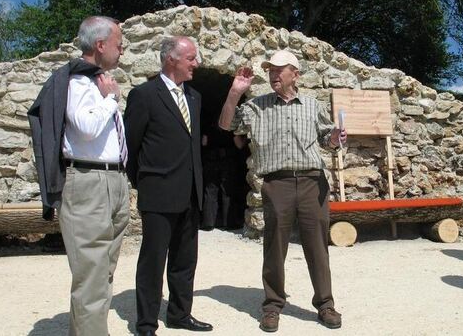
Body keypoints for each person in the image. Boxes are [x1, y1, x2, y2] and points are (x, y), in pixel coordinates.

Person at [218, 50, 346, 332]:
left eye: (279, 70)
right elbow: (226, 124)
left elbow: (327, 139)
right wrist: (234, 93)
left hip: (314, 183)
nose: (273, 75)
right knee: (274, 247)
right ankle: (273, 306)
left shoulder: (312, 105)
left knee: (317, 247)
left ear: (295, 74)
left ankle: (325, 305)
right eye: (271, 71)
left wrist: (335, 137)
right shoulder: (256, 107)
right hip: (277, 184)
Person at [27, 16, 129, 335]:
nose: (122, 49)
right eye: (118, 43)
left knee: (102, 273)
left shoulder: (96, 81)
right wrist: (111, 98)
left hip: (112, 181)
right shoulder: (76, 82)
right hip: (88, 183)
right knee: (91, 276)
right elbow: (86, 129)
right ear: (100, 45)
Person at [124, 37, 212, 335]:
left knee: (185, 260)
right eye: (191, 58)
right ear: (171, 59)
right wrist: (145, 182)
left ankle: (179, 314)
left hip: (190, 192)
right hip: (158, 192)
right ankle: (146, 323)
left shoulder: (195, 98)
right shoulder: (144, 95)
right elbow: (130, 147)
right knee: (153, 261)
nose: (196, 64)